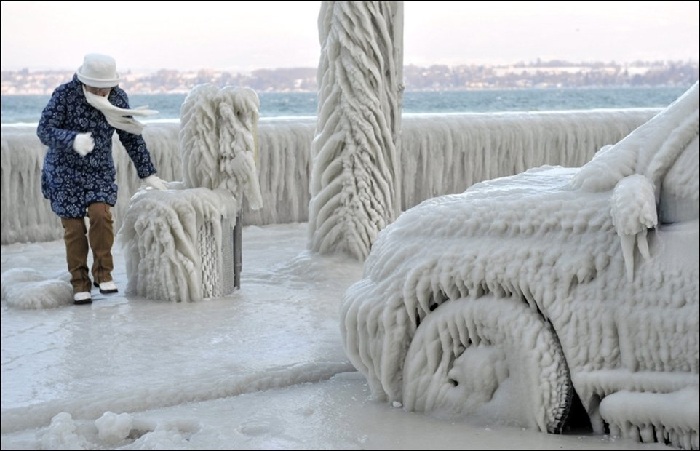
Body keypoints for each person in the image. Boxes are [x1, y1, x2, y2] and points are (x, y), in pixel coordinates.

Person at [37, 53, 169, 305]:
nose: (100, 92)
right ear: (83, 81)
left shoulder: (117, 97)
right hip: (64, 171)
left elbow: (131, 136)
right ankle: (79, 282)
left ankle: (103, 272)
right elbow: (44, 130)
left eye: (105, 87)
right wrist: (72, 139)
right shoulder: (65, 95)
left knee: (101, 215)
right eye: (95, 87)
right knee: (74, 228)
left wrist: (147, 173)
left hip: (98, 171)